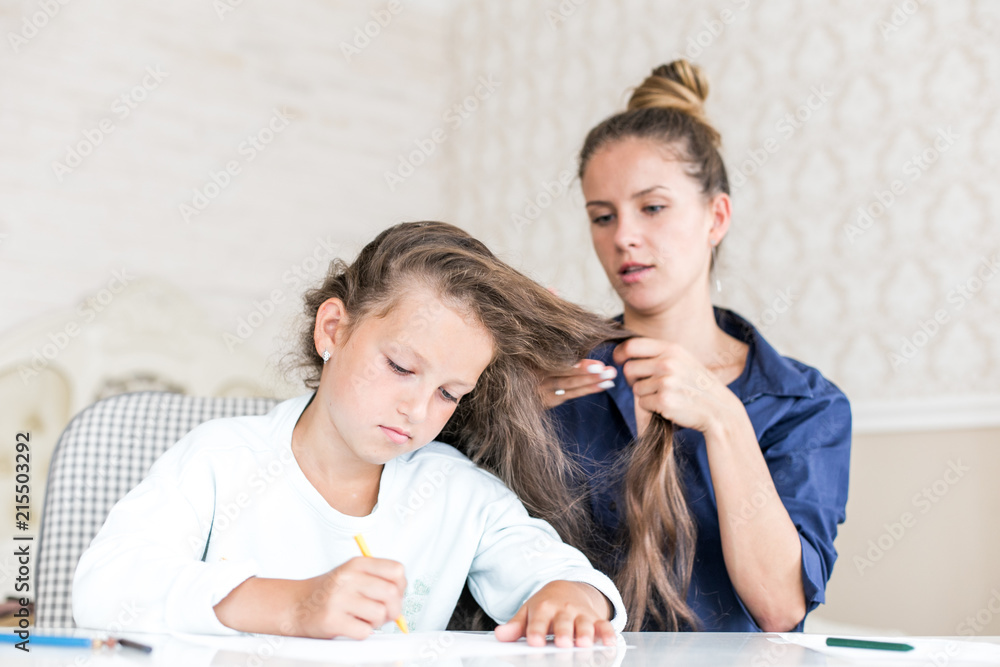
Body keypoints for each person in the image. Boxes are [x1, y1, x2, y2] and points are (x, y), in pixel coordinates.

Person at [73, 221, 628, 646]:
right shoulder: (220, 460)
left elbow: (563, 578)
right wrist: (294, 606)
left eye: (449, 393)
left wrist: (569, 600)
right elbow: (104, 589)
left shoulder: (459, 496)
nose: (416, 408)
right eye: (402, 368)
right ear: (333, 328)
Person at [541, 61, 851, 632]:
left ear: (717, 216)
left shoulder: (805, 405)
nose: (624, 236)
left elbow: (781, 607)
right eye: (602, 217)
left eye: (652, 207)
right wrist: (505, 402)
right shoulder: (561, 380)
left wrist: (724, 419)